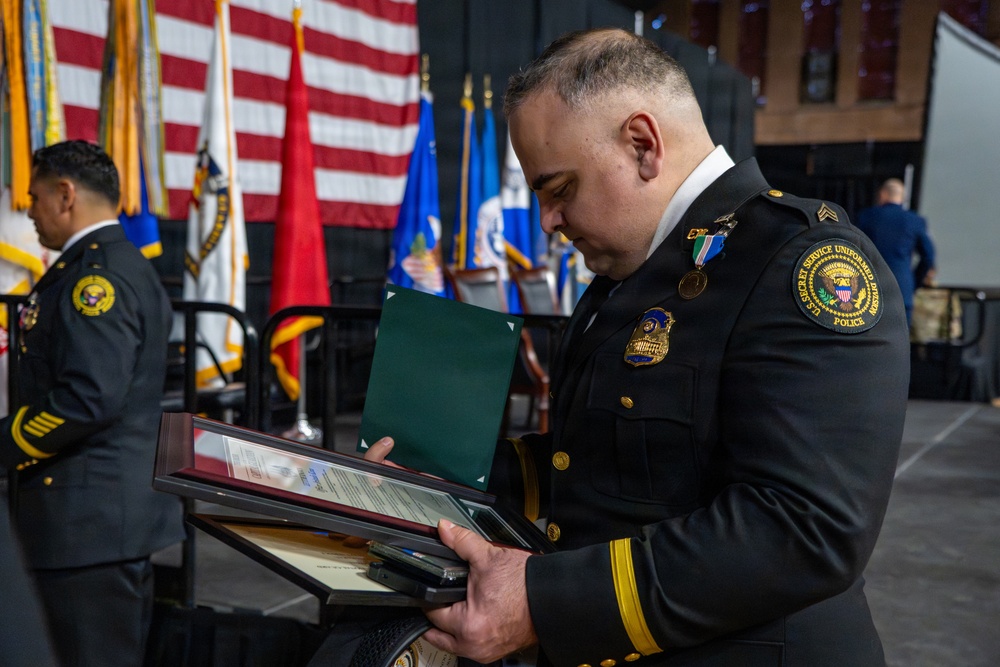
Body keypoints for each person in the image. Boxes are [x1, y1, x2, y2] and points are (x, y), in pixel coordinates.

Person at [363, 29, 911, 667]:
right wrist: (449, 476)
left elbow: (804, 528)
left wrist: (542, 602)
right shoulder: (639, 268)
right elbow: (607, 459)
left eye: (560, 189)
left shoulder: (801, 264)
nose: (546, 221)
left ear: (643, 145)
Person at [0, 140, 184, 666]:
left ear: (65, 194)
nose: (28, 212)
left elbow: (87, 399)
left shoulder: (95, 278)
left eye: (34, 197)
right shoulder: (119, 262)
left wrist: (3, 443)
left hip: (85, 524)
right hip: (99, 518)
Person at [855, 178, 936, 324]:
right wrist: (915, 281)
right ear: (902, 197)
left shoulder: (866, 217)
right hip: (902, 289)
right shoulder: (915, 220)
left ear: (883, 194)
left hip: (868, 290)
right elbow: (928, 256)